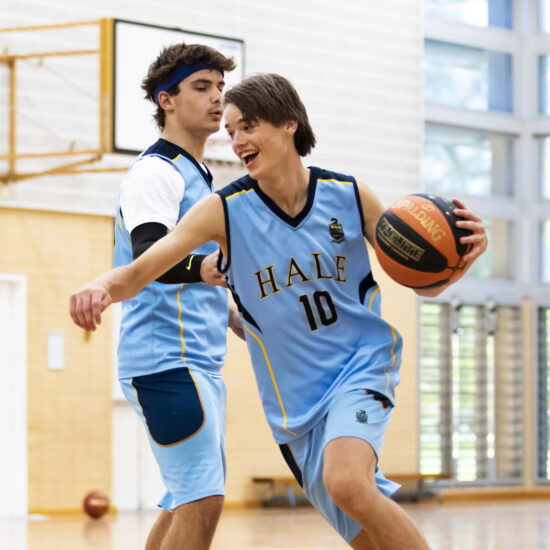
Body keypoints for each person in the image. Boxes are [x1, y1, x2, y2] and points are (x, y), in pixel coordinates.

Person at [70, 73, 488, 549]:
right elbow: (142, 270)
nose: (237, 140)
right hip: (294, 408)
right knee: (365, 533)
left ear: (289, 124)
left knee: (348, 481)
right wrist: (100, 285)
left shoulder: (350, 195)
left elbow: (424, 285)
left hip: (359, 367)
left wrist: (460, 259)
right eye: (230, 131)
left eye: (248, 126)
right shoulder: (222, 211)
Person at [111, 43, 242, 550]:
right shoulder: (156, 171)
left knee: (183, 497)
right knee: (203, 500)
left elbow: (188, 270)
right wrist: (205, 268)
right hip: (165, 361)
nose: (217, 99)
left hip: (196, 361)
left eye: (220, 88)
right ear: (167, 100)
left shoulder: (197, 174)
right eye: (202, 87)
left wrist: (227, 311)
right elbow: (150, 257)